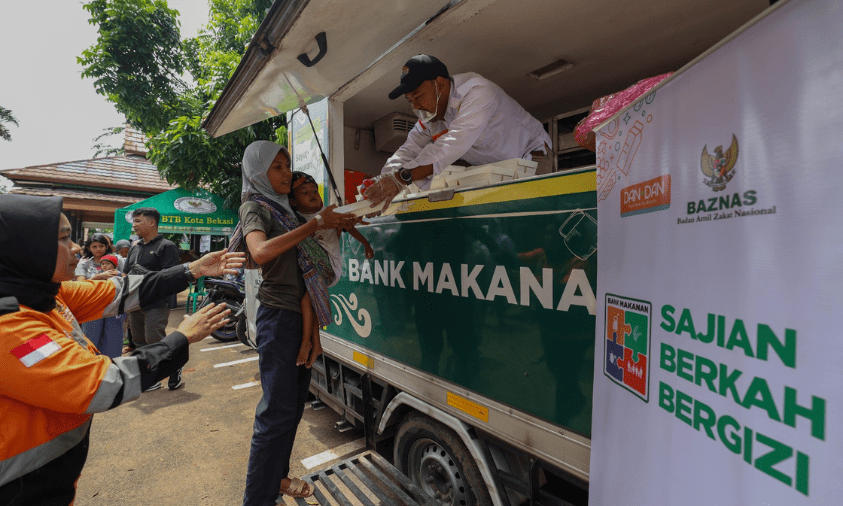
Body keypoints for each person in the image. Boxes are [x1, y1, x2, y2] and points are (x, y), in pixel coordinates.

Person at [0, 194, 243, 506]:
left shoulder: (43, 293)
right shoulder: (9, 328)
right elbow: (100, 383)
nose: (78, 247)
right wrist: (181, 338)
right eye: (63, 238)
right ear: (24, 249)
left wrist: (192, 270)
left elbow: (121, 291)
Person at [232, 140, 357, 504]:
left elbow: (309, 276)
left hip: (299, 318)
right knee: (275, 415)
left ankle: (278, 480)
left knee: (292, 411)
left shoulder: (287, 210)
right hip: (277, 317)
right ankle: (257, 499)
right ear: (258, 173)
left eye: (287, 166)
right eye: (277, 168)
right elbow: (259, 251)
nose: (286, 174)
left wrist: (312, 333)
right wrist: (316, 223)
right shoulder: (255, 206)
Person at [364, 54, 553, 211]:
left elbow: (451, 145)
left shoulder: (477, 91)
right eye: (410, 100)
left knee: (532, 220)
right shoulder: (431, 118)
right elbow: (408, 150)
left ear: (439, 84)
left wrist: (400, 179)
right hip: (496, 169)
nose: (415, 106)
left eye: (418, 96)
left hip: (531, 159)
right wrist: (382, 181)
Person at [288, 171, 374, 365]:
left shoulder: (329, 214)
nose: (312, 195)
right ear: (293, 201)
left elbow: (350, 228)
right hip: (314, 269)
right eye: (304, 193)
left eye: (314, 191)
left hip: (329, 266)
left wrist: (366, 244)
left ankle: (306, 342)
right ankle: (316, 344)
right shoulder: (298, 218)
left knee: (306, 298)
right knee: (310, 298)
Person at [122, 207, 182, 390]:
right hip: (135, 302)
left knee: (154, 339)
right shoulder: (135, 248)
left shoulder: (166, 246)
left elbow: (171, 277)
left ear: (152, 222)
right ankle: (150, 376)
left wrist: (146, 275)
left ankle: (174, 367)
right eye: (134, 221)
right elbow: (125, 273)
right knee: (139, 341)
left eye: (138, 221)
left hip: (156, 302)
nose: (134, 224)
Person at [75, 234, 125, 358]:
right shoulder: (84, 263)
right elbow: (80, 284)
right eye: (94, 246)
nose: (98, 249)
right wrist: (98, 277)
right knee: (91, 337)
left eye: (101, 246)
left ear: (106, 246)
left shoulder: (118, 259)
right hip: (92, 305)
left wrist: (118, 274)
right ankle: (92, 366)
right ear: (88, 248)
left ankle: (112, 367)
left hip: (114, 304)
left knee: (113, 337)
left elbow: (126, 277)